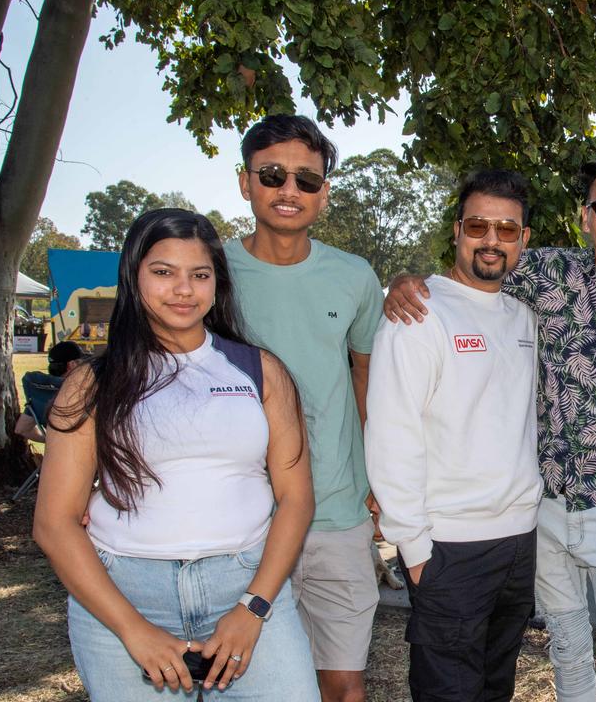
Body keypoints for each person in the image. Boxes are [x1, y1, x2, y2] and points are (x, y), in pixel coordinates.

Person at [384, 159, 596, 701]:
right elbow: (477, 266)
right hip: (547, 512)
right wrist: (405, 282)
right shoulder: (547, 274)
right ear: (585, 217)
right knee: (568, 654)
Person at [33, 208, 319, 700]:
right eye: (163, 272)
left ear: (217, 283)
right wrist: (133, 630)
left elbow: (296, 498)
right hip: (123, 596)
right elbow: (54, 522)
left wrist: (253, 607)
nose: (183, 290)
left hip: (248, 588)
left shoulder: (260, 371)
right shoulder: (90, 384)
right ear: (133, 275)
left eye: (199, 275)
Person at [225, 114, 384, 702]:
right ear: (245, 183)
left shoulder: (355, 277)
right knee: (256, 681)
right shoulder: (207, 272)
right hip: (242, 518)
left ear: (323, 193)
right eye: (273, 175)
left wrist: (377, 475)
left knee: (343, 683)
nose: (289, 191)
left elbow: (366, 375)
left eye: (307, 180)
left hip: (337, 510)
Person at [366, 170, 542, 701]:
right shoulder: (418, 314)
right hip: (448, 547)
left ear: (524, 239)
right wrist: (414, 548)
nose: (491, 240)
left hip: (519, 541)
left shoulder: (525, 317)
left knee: (495, 689)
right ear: (458, 230)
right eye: (478, 225)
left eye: (507, 229)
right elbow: (392, 431)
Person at [14, 341, 87, 443]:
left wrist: (52, 442)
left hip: (57, 453)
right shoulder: (84, 392)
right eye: (82, 362)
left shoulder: (40, 392)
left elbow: (21, 429)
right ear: (72, 364)